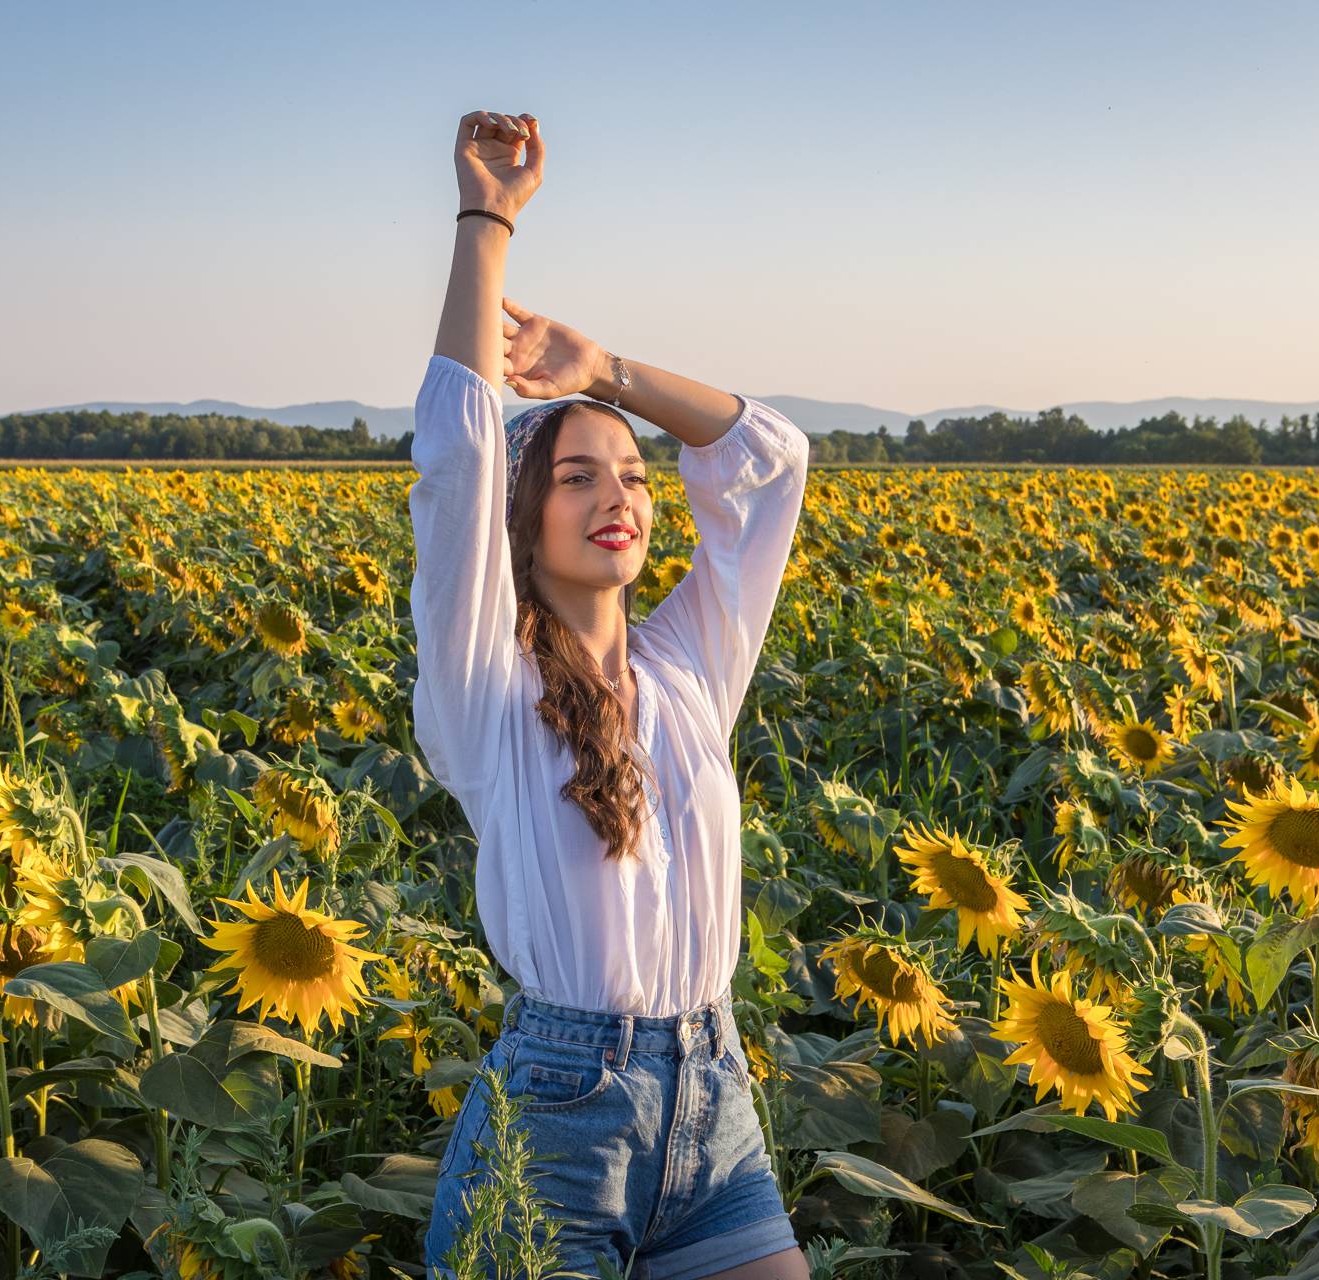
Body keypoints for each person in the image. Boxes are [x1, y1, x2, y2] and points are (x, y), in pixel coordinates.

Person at [412, 110, 812, 1279]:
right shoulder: (486, 685)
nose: (618, 495)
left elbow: (771, 462)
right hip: (558, 1119)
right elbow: (456, 454)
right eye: (577, 476)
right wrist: (487, 218)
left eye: (633, 475)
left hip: (715, 1098)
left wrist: (607, 374)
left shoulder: (690, 665)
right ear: (523, 517)